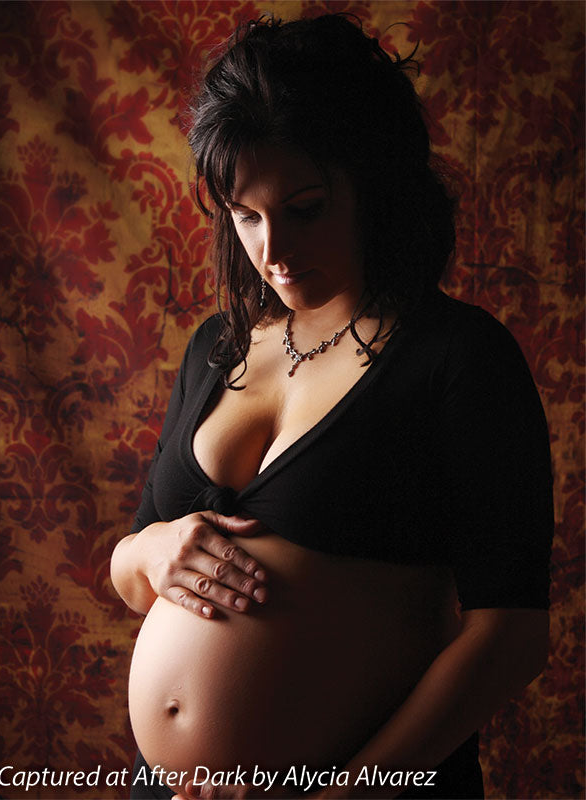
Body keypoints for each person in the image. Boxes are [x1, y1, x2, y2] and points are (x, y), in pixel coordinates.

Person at [110, 13, 554, 800]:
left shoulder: (458, 357)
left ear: (373, 185)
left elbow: (510, 634)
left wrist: (348, 794)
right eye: (245, 215)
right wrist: (149, 552)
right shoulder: (216, 346)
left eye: (305, 208)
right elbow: (135, 574)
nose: (272, 251)